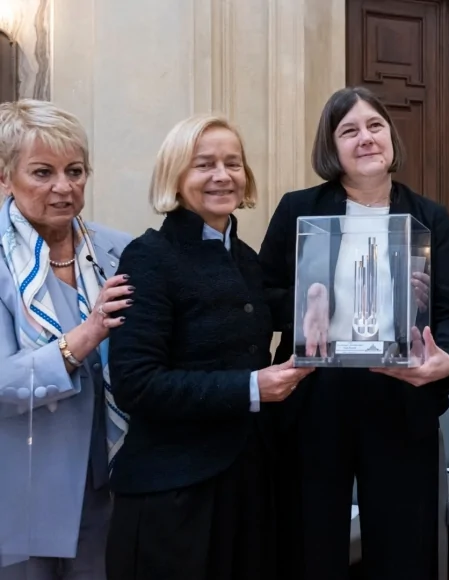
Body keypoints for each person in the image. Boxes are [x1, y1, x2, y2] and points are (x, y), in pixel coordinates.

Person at [259, 86, 449, 580]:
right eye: (349, 130)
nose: (366, 139)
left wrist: (448, 359)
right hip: (315, 403)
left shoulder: (430, 218)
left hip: (400, 401)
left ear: (391, 136)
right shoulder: (298, 210)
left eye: (375, 126)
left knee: (405, 553)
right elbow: (261, 295)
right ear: (331, 148)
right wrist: (308, 304)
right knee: (310, 550)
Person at [104, 115, 311, 580]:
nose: (222, 175)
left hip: (249, 485)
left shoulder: (245, 258)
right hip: (175, 495)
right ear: (175, 177)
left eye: (233, 163)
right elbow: (136, 385)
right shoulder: (148, 257)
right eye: (204, 165)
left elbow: (291, 311)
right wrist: (251, 388)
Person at [0, 99, 133, 580]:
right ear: (4, 177)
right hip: (21, 491)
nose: (64, 187)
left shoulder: (119, 249)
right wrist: (87, 334)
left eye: (75, 171)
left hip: (113, 481)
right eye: (42, 172)